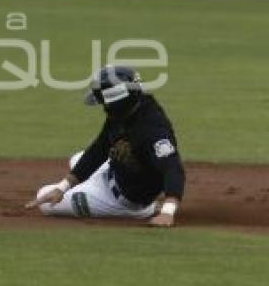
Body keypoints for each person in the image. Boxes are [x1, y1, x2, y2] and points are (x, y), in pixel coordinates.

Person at [26, 66, 185, 227]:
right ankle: (89, 185)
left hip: (119, 202)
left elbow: (173, 168)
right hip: (114, 172)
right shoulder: (128, 111)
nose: (103, 107)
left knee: (44, 198)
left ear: (116, 104)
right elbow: (100, 148)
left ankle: (145, 209)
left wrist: (167, 212)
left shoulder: (153, 131)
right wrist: (62, 187)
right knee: (77, 159)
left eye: (104, 103)